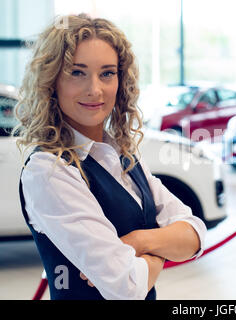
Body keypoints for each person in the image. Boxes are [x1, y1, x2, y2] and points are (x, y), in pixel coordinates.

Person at [13, 13, 206, 300]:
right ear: (52, 81)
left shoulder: (123, 154)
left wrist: (139, 241)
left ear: (121, 79)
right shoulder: (49, 170)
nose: (95, 89)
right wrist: (160, 252)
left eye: (107, 73)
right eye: (77, 72)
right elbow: (127, 287)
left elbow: (195, 235)